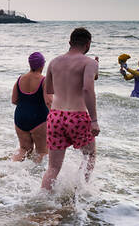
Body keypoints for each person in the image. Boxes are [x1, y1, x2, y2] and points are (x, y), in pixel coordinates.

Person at [41, 28, 100, 191]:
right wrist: (94, 120)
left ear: (70, 42)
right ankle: (80, 192)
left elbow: (50, 89)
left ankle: (42, 199)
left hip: (55, 116)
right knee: (89, 155)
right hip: (78, 116)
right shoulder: (90, 62)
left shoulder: (54, 62)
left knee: (53, 168)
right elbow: (87, 89)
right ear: (88, 44)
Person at [11, 52, 52, 163]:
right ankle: (35, 177)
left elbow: (14, 100)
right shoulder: (44, 80)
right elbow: (49, 101)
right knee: (42, 151)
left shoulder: (20, 79)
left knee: (24, 149)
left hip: (20, 117)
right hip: (39, 118)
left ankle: (12, 167)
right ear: (42, 65)